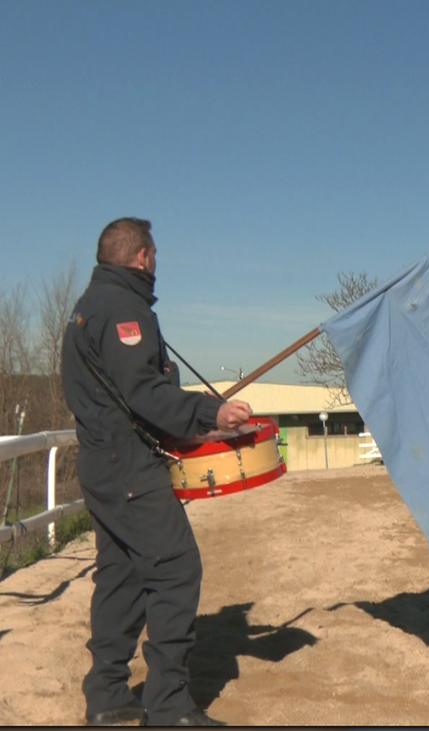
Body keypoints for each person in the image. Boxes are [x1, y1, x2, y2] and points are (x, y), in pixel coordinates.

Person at [61, 218, 251, 727]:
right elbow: (144, 393)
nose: (156, 265)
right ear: (142, 257)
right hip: (128, 466)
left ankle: (106, 697)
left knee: (121, 577)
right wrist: (211, 414)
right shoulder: (124, 310)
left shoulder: (87, 307)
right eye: (156, 256)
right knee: (176, 570)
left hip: (101, 462)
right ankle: (167, 708)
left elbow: (119, 393)